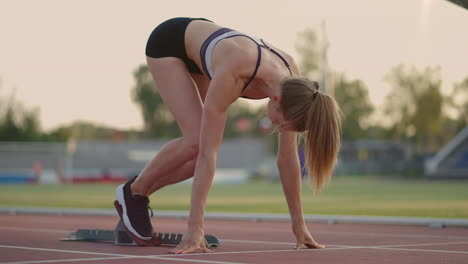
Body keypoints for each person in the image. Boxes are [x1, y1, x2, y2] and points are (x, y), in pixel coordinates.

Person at [115, 17, 342, 254]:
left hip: (206, 51)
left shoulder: (295, 87)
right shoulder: (235, 73)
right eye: (282, 125)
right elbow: (207, 153)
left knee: (196, 158)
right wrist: (195, 230)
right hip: (170, 42)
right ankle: (134, 193)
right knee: (197, 143)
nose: (279, 129)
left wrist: (299, 226)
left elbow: (287, 160)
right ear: (277, 100)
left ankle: (132, 193)